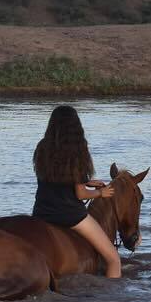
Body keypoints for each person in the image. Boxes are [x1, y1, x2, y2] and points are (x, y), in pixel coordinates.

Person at [32, 105, 121, 278]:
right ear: (76, 126)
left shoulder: (42, 147)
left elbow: (52, 178)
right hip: (70, 215)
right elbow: (80, 194)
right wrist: (100, 194)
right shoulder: (78, 149)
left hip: (42, 212)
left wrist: (85, 181)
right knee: (113, 259)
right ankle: (111, 300)